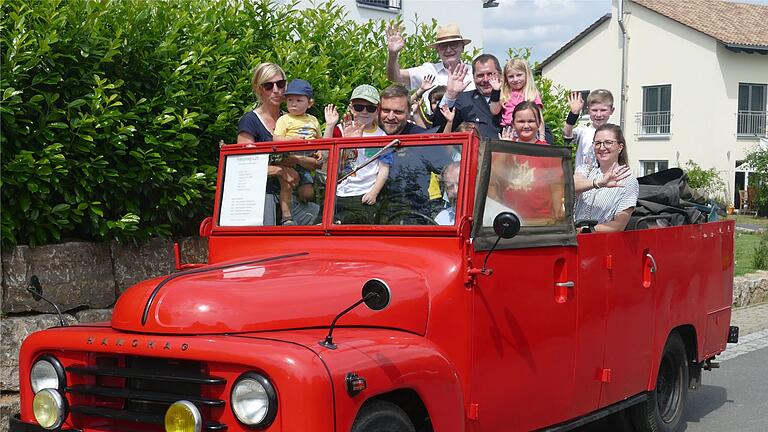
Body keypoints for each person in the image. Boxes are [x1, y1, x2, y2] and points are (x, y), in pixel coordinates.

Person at [236, 63, 319, 226]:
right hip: (261, 200)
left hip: (294, 198)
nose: (276, 90)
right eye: (268, 85)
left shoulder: (291, 119)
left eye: (280, 84)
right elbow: (243, 167)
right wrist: (280, 171)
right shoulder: (250, 121)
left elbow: (314, 159)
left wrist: (300, 160)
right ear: (259, 89)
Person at [330, 85, 393, 224]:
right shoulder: (340, 129)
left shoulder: (383, 137)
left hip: (363, 194)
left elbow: (384, 169)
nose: (364, 111)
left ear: (377, 110)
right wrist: (346, 141)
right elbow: (325, 160)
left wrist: (374, 193)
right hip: (337, 192)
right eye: (359, 107)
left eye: (370, 108)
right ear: (351, 108)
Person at [492, 101, 563, 224]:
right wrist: (505, 150)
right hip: (509, 219)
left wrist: (557, 215)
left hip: (541, 219)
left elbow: (556, 186)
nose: (526, 126)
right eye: (521, 122)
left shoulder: (548, 151)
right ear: (513, 124)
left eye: (530, 121)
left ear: (539, 124)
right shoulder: (503, 149)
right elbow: (494, 178)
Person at [386, 23, 475, 115]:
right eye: (443, 46)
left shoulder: (474, 73)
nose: (448, 50)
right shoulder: (428, 70)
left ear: (462, 47)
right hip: (435, 127)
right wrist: (393, 54)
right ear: (437, 50)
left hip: (470, 126)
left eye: (453, 44)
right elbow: (395, 77)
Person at [272, 79, 324, 224]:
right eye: (290, 100)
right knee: (286, 186)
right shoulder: (284, 119)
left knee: (307, 194)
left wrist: (319, 150)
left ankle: (302, 210)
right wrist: (292, 139)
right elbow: (276, 139)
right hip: (288, 159)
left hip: (307, 160)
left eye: (299, 100)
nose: (293, 104)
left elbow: (319, 140)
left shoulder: (313, 120)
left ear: (310, 103)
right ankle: (286, 217)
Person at [573, 123, 639, 232]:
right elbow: (570, 185)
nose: (602, 147)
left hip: (602, 242)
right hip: (574, 239)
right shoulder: (586, 169)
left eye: (608, 143)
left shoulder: (629, 181)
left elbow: (619, 225)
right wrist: (599, 183)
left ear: (620, 147)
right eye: (597, 143)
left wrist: (586, 231)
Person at [432, 54, 503, 139]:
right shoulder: (464, 101)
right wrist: (450, 95)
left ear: (500, 74)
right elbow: (438, 129)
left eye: (490, 74)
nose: (485, 80)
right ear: (473, 77)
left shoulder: (512, 97)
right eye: (480, 75)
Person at [490, 58, 545, 141]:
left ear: (526, 75)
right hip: (509, 131)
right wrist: (496, 91)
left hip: (528, 130)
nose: (515, 79)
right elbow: (494, 111)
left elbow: (539, 118)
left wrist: (542, 137)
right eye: (511, 76)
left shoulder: (531, 93)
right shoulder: (505, 93)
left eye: (519, 75)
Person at [564, 89, 615, 169]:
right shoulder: (582, 131)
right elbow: (566, 133)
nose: (598, 114)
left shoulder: (614, 133)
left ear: (612, 111)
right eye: (594, 110)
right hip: (582, 178)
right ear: (588, 111)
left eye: (603, 110)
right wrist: (573, 114)